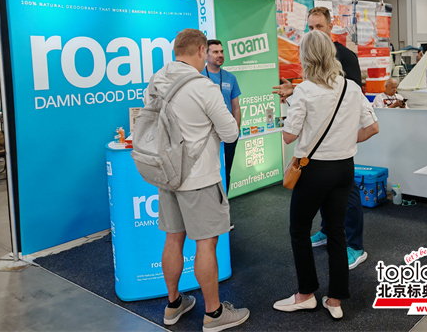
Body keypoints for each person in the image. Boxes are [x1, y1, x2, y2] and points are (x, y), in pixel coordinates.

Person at [273, 31, 379, 319]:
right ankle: (335, 300)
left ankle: (306, 294)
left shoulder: (305, 90)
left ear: (306, 57)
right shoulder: (351, 88)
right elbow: (372, 127)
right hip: (344, 168)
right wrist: (344, 140)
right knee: (336, 231)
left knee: (299, 230)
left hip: (314, 170)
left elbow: (289, 136)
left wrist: (288, 108)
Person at [149, 29, 249, 330]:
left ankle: (173, 305)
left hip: (168, 175)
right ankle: (214, 314)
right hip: (200, 177)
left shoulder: (156, 80)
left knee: (173, 238)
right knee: (206, 243)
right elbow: (230, 133)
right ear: (202, 51)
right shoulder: (203, 86)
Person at [273, 6, 368, 270]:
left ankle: (355, 245)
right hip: (318, 150)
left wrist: (346, 136)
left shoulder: (345, 56)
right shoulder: (312, 59)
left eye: (319, 27)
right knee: (330, 199)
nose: (314, 32)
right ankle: (327, 231)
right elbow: (318, 95)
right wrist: (296, 91)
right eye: (311, 27)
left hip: (339, 146)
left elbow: (351, 97)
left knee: (348, 196)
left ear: (330, 26)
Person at [202, 39, 242, 197]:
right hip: (207, 136)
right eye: (215, 52)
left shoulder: (230, 78)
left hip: (227, 135)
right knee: (207, 173)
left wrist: (236, 130)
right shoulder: (198, 77)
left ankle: (225, 203)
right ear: (206, 55)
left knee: (226, 171)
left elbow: (236, 107)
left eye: (221, 51)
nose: (220, 55)